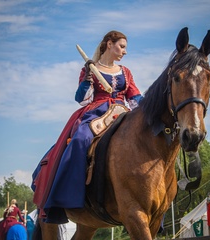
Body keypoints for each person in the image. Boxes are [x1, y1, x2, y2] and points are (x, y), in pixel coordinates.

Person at [32, 30, 143, 223]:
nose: (125, 52)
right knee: (81, 139)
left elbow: (134, 97)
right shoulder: (90, 69)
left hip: (122, 111)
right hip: (96, 112)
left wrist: (148, 111)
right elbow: (80, 99)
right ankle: (70, 195)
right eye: (122, 46)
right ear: (109, 44)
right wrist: (87, 80)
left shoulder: (126, 72)